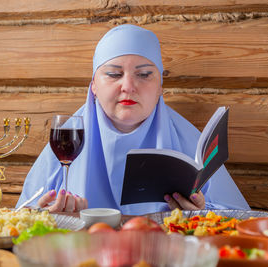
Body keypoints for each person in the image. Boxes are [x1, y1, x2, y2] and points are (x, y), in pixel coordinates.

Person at [16, 24, 250, 215]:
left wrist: (199, 215)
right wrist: (50, 220)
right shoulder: (67, 139)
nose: (128, 87)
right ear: (94, 86)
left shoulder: (189, 140)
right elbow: (23, 215)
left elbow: (235, 219)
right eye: (114, 74)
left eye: (144, 74)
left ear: (160, 86)